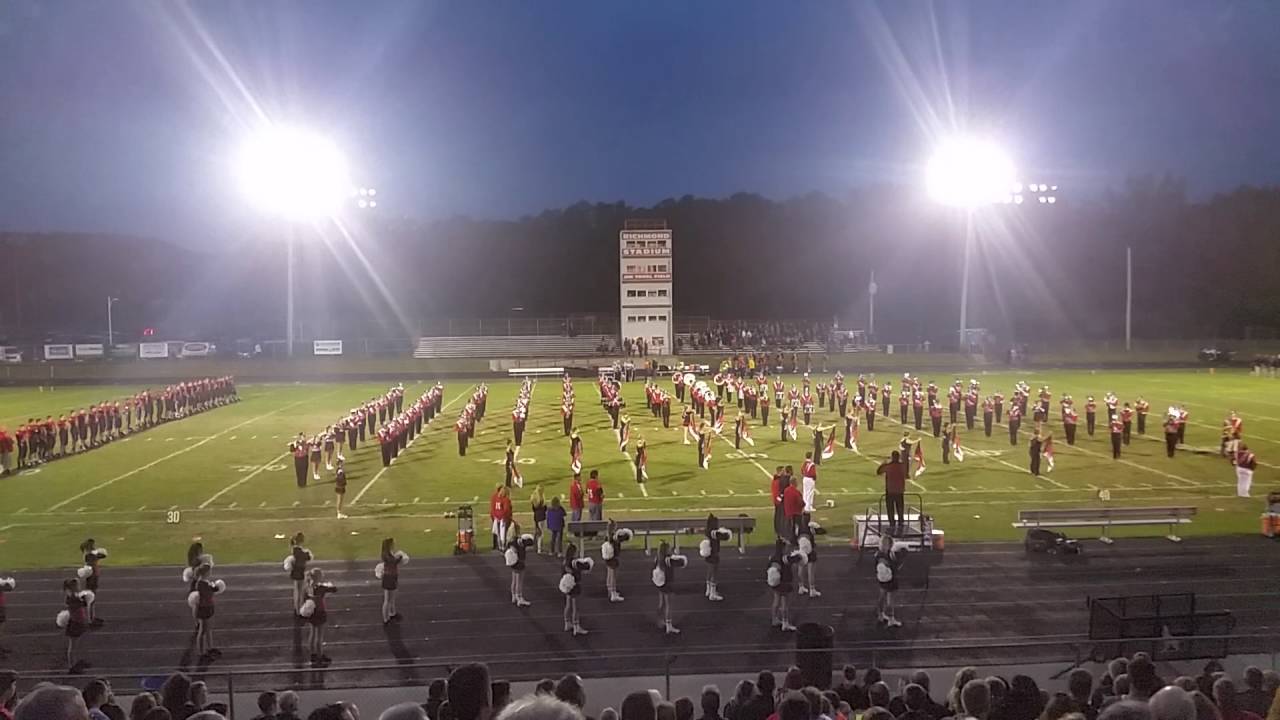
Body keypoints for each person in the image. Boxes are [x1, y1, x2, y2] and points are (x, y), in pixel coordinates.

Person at [186, 563, 225, 661]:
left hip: (208, 607)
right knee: (202, 631)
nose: (210, 573)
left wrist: (213, 587)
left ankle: (210, 648)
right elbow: (208, 592)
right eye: (209, 571)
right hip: (203, 609)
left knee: (208, 629)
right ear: (205, 573)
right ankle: (201, 652)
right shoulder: (200, 583)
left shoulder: (205, 582)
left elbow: (211, 591)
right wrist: (214, 587)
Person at [766, 539, 803, 632]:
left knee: (776, 600)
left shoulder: (773, 557)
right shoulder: (784, 558)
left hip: (775, 584)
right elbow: (797, 559)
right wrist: (799, 554)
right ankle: (785, 623)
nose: (788, 548)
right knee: (785, 604)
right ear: (783, 548)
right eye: (786, 547)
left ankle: (774, 619)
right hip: (784, 583)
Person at [57, 577, 93, 672]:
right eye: (77, 585)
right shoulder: (71, 598)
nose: (79, 587)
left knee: (77, 645)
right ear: (72, 587)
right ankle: (71, 666)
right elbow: (81, 604)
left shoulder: (75, 596)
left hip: (79, 622)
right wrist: (86, 599)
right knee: (73, 646)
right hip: (75, 624)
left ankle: (76, 663)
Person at [653, 541, 688, 634]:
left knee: (662, 604)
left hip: (661, 584)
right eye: (669, 548)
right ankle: (669, 626)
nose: (670, 549)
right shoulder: (668, 560)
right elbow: (682, 562)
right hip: (668, 584)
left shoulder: (657, 558)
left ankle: (660, 620)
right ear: (665, 550)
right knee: (669, 605)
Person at [559, 543, 593, 636]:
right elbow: (586, 567)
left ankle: (567, 623)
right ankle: (576, 626)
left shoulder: (565, 561)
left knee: (568, 605)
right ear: (573, 553)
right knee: (576, 607)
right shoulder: (574, 562)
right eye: (576, 552)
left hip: (568, 586)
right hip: (575, 586)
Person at [875, 535, 905, 628]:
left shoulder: (878, 554)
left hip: (882, 579)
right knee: (890, 600)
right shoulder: (886, 556)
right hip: (890, 580)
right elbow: (893, 568)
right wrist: (901, 562)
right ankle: (891, 619)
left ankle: (881, 614)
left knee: (882, 597)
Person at [700, 513, 732, 602]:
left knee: (709, 571)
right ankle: (712, 594)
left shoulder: (708, 530)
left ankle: (708, 590)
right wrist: (726, 531)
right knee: (714, 573)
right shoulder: (714, 532)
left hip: (709, 554)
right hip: (714, 554)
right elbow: (725, 536)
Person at [377, 538, 409, 624]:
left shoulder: (389, 553)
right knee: (387, 599)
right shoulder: (386, 554)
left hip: (392, 577)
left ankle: (392, 613)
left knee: (392, 598)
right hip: (388, 578)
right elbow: (393, 562)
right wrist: (400, 557)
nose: (394, 545)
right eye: (392, 544)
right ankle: (385, 619)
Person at [602, 519, 634, 603]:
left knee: (610, 574)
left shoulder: (609, 534)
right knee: (613, 575)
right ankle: (613, 593)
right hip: (613, 558)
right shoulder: (613, 536)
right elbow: (619, 540)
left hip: (608, 558)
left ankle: (610, 591)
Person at [77, 538, 107, 626]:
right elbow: (100, 556)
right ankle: (90, 620)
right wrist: (97, 552)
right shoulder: (89, 555)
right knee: (91, 599)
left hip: (93, 577)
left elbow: (102, 556)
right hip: (91, 578)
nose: (94, 546)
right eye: (93, 545)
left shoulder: (90, 554)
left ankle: (92, 617)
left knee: (91, 599)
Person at [504, 523, 535, 608]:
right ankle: (519, 598)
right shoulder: (520, 541)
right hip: (519, 562)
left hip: (514, 563)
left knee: (514, 580)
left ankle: (514, 596)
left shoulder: (511, 540)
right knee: (519, 581)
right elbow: (529, 543)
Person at [283, 533, 312, 615]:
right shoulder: (298, 550)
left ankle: (297, 608)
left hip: (297, 571)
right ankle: (298, 609)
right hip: (299, 571)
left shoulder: (296, 549)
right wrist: (307, 553)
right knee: (299, 592)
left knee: (297, 591)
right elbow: (308, 557)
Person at [876, 452, 906, 533]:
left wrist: (883, 464)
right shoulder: (902, 466)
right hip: (899, 490)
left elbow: (879, 472)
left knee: (890, 509)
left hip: (891, 490)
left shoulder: (889, 466)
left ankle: (892, 523)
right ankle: (901, 523)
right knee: (900, 508)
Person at [797, 521, 820, 598]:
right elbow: (822, 531)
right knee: (811, 570)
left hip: (801, 549)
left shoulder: (797, 527)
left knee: (800, 568)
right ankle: (812, 589)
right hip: (809, 549)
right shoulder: (810, 526)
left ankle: (801, 587)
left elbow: (794, 539)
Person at [530, 485, 548, 554]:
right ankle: (539, 549)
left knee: (536, 532)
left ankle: (535, 546)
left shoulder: (534, 501)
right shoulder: (542, 500)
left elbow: (533, 509)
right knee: (541, 534)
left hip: (536, 517)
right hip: (541, 518)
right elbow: (545, 509)